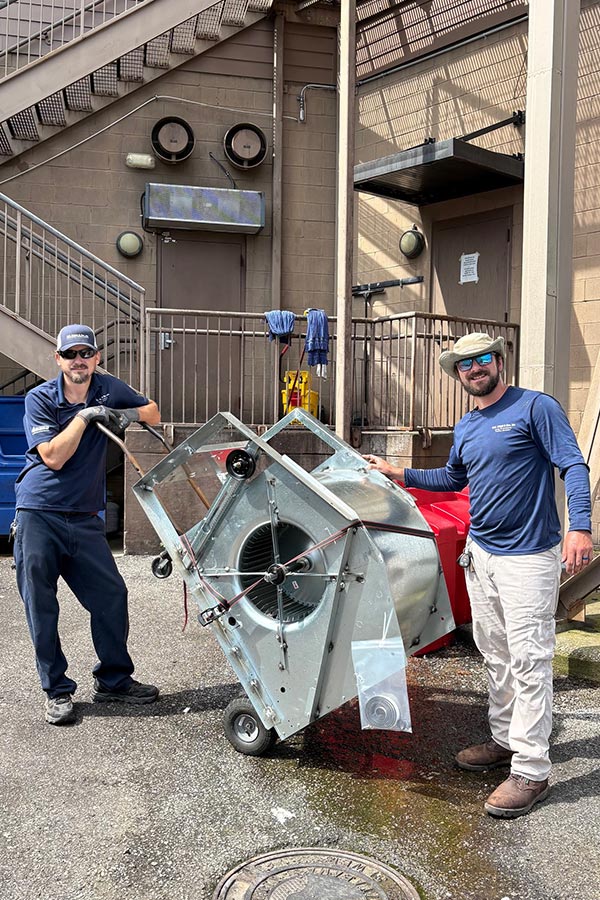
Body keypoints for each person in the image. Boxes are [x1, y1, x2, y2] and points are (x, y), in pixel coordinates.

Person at [364, 332, 593, 819]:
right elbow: (452, 479)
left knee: (529, 661)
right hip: (481, 555)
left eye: (482, 358)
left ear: (499, 361)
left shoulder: (536, 407)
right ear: (457, 374)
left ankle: (531, 770)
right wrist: (397, 472)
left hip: (528, 558)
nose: (474, 368)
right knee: (495, 654)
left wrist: (580, 527)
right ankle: (506, 739)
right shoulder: (467, 425)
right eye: (464, 364)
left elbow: (573, 465)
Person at [13, 324, 161, 726]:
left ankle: (114, 680)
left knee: (111, 596)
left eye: (85, 354)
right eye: (70, 354)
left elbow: (153, 412)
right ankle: (57, 690)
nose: (78, 361)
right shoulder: (40, 398)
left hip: (84, 516)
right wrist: (85, 417)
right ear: (58, 359)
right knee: (41, 605)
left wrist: (124, 413)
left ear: (96, 358)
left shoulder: (108, 387)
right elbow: (53, 456)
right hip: (39, 513)